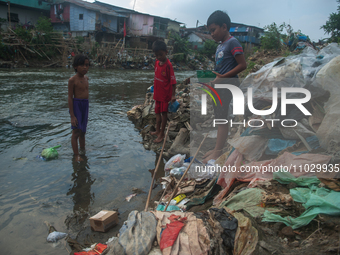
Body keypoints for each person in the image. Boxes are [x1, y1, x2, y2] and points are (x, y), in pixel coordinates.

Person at [202, 10, 247, 163]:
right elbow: (220, 69)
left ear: (224, 27)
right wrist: (213, 81)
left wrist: (222, 78)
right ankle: (217, 148)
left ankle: (218, 151)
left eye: (213, 30)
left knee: (222, 120)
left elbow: (242, 65)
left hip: (228, 86)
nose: (212, 34)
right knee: (220, 118)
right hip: (220, 86)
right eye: (210, 31)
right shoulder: (220, 46)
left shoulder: (232, 42)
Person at [150, 40, 177, 143]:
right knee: (157, 112)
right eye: (156, 55)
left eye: (160, 55)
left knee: (164, 114)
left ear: (166, 52)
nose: (158, 57)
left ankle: (162, 134)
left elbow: (173, 81)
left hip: (165, 95)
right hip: (157, 93)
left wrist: (173, 95)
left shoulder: (168, 65)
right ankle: (157, 130)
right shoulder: (157, 62)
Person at [68, 54, 90, 161]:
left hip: (85, 105)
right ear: (76, 66)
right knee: (76, 131)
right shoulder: (72, 80)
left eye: (87, 65)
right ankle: (76, 155)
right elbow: (70, 97)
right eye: (82, 65)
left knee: (83, 131)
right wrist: (72, 115)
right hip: (77, 105)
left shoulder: (86, 78)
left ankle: (82, 150)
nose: (85, 67)